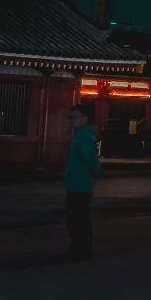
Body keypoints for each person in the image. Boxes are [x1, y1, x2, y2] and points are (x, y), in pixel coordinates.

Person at [58, 106, 100, 262]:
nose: (71, 120)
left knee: (77, 220)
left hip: (80, 184)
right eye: (71, 117)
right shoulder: (82, 135)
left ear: (85, 118)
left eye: (74, 117)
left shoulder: (83, 137)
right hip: (79, 183)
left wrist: (95, 174)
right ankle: (81, 249)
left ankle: (80, 250)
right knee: (78, 219)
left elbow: (91, 160)